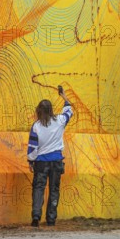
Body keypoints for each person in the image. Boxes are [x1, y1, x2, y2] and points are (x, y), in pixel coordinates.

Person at [27, 87, 73, 227]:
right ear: (51, 110)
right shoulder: (60, 120)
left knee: (38, 188)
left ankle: (36, 217)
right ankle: (51, 219)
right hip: (56, 162)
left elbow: (33, 147)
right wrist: (63, 96)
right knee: (54, 189)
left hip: (41, 163)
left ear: (39, 111)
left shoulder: (36, 126)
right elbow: (69, 110)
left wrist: (30, 161)